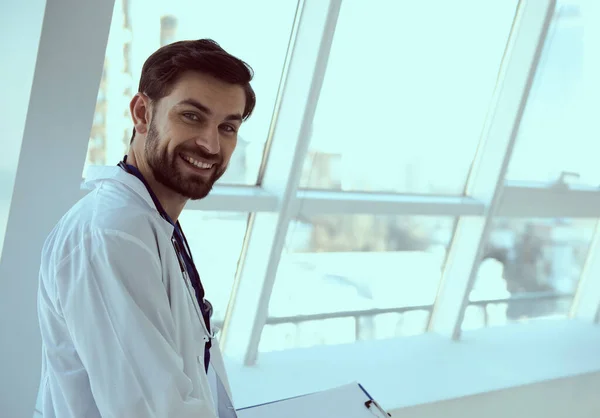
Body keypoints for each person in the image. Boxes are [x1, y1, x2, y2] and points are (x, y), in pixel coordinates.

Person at [37, 39, 255, 418]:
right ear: (141, 113)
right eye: (191, 116)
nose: (210, 143)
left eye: (227, 127)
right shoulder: (111, 235)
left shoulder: (150, 224)